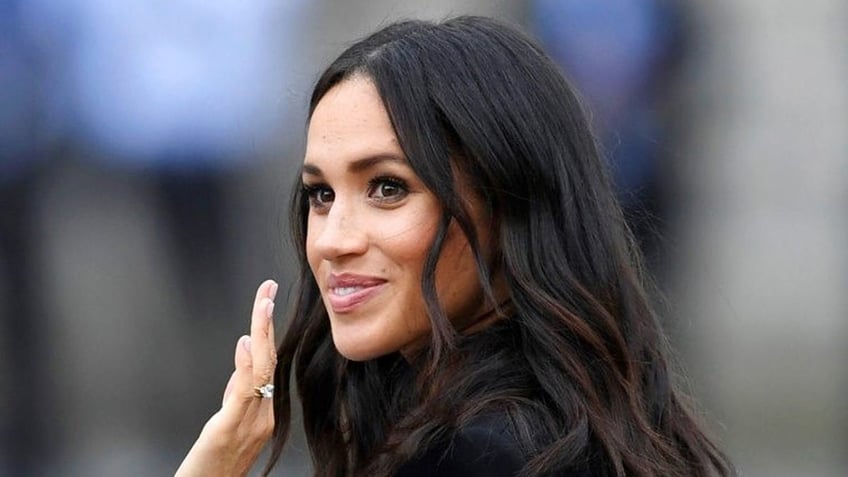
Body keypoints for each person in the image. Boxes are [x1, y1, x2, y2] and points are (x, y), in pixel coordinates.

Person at [176, 16, 734, 477]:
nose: (332, 240)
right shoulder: (584, 424)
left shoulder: (477, 455)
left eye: (388, 188)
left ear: (505, 203)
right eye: (320, 194)